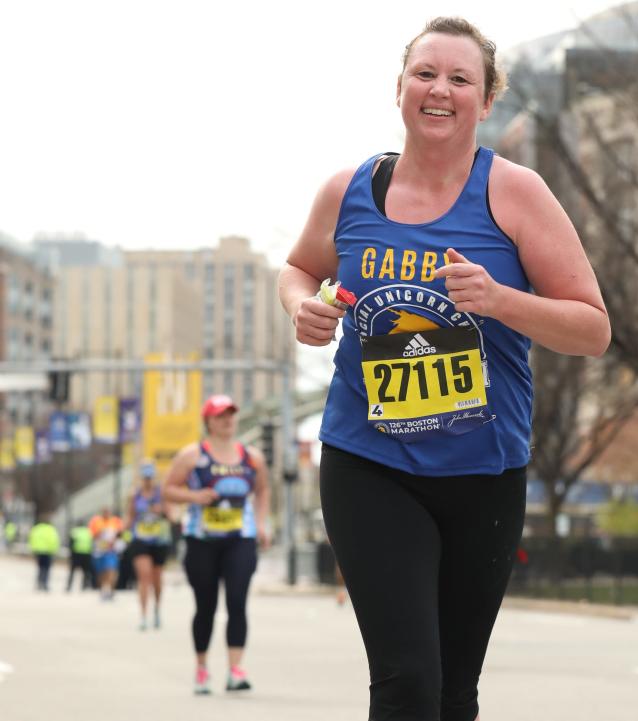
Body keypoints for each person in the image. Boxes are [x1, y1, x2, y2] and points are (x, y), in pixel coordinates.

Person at [278, 16, 609, 721]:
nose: (440, 90)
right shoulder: (349, 191)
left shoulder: (516, 195)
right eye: (425, 73)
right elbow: (300, 267)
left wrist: (501, 299)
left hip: (482, 472)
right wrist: (301, 305)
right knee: (407, 683)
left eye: (461, 79)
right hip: (368, 461)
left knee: (454, 692)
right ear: (398, 87)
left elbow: (592, 328)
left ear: (486, 102)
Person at [162, 394, 270, 695]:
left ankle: (236, 670)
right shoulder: (192, 455)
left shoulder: (252, 457)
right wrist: (195, 497)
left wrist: (261, 524)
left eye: (231, 415)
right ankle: (201, 668)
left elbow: (262, 490)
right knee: (206, 606)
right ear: (208, 421)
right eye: (221, 415)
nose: (228, 420)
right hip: (202, 540)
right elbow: (168, 490)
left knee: (237, 601)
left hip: (240, 538)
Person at [125, 459, 172, 630]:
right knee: (144, 576)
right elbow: (129, 517)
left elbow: (171, 515)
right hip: (140, 539)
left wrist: (162, 511)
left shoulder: (162, 494)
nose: (148, 480)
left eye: (150, 477)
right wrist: (120, 532)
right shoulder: (134, 495)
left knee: (156, 579)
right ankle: (143, 616)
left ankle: (157, 610)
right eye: (145, 477)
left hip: (159, 540)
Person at [89, 506, 124, 600]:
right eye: (105, 511)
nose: (106, 513)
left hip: (111, 551)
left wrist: (114, 540)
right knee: (101, 573)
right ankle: (102, 589)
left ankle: (110, 590)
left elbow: (121, 533)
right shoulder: (96, 521)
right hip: (99, 551)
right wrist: (101, 535)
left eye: (108, 511)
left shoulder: (116, 521)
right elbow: (92, 535)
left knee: (111, 570)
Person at [28, 516, 60, 591]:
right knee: (47, 568)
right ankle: (45, 584)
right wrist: (55, 551)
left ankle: (39, 583)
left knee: (40, 567)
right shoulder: (51, 529)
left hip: (38, 551)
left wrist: (33, 549)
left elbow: (31, 539)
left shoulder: (36, 529)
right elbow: (55, 541)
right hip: (48, 552)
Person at [66, 519, 94, 591]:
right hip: (87, 553)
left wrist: (71, 554)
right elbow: (92, 542)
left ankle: (69, 586)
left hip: (76, 554)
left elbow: (71, 544)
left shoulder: (74, 531)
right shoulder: (88, 531)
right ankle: (84, 585)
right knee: (86, 571)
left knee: (72, 571)